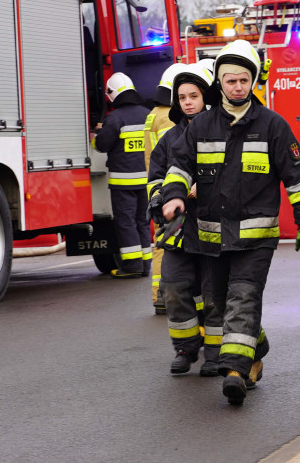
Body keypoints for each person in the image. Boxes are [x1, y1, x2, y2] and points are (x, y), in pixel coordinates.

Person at [160, 39, 300, 406]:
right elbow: (180, 166)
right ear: (219, 82)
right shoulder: (200, 125)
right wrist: (172, 196)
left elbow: (298, 178)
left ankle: (235, 371)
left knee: (242, 297)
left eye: (243, 80)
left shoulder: (272, 126)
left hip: (256, 240)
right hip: (211, 239)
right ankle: (256, 347)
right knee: (220, 300)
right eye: (230, 81)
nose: (237, 87)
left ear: (253, 82)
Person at [147, 63, 222, 376]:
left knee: (214, 295)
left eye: (194, 95)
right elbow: (155, 179)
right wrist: (159, 200)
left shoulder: (222, 132)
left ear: (206, 97)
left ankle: (216, 354)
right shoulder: (168, 139)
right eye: (182, 97)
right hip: (177, 231)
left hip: (212, 230)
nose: (188, 101)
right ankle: (185, 348)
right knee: (175, 289)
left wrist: (201, 189)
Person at [93, 72, 152, 278]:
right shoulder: (147, 114)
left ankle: (132, 265)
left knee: (126, 222)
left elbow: (102, 144)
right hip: (146, 180)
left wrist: (96, 136)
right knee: (142, 221)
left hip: (123, 182)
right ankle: (145, 264)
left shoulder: (115, 118)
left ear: (113, 93)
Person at [145, 63, 187, 314]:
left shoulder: (152, 114)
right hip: (171, 184)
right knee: (173, 240)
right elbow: (178, 152)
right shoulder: (169, 119)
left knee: (162, 239)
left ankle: (160, 295)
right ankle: (166, 295)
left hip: (155, 182)